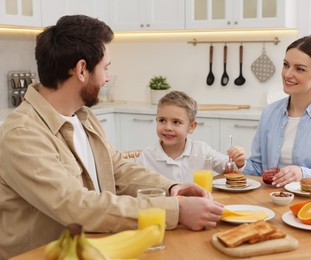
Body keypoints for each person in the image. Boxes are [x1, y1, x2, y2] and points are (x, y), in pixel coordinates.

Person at [0, 15, 224, 259]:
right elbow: (76, 207)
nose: (107, 77)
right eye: (105, 68)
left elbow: (116, 168)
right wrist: (176, 211)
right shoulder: (22, 134)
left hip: (96, 247)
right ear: (82, 70)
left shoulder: (82, 115)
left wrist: (172, 188)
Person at [243, 35, 311, 187]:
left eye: (299, 69)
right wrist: (239, 163)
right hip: (270, 199)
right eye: (286, 65)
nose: (287, 74)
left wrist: (302, 174)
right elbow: (257, 168)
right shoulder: (270, 112)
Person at [138, 90, 246, 183]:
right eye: (162, 120)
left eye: (176, 122)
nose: (168, 127)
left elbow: (229, 167)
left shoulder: (202, 150)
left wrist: (238, 161)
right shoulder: (146, 157)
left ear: (191, 127)